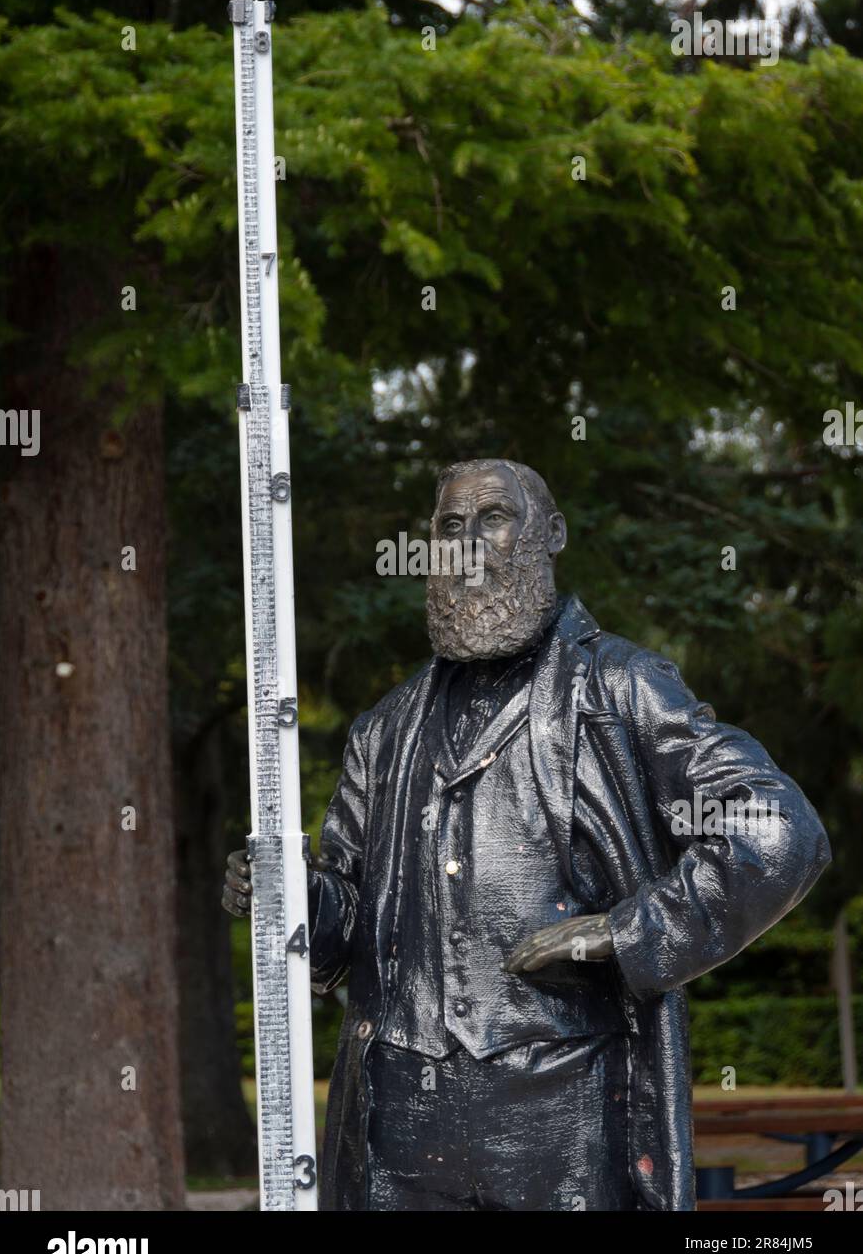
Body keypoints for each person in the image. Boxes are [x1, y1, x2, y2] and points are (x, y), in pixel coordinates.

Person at [223, 458, 831, 1211]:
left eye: (495, 518)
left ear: (552, 534)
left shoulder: (620, 689)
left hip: (565, 1127)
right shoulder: (383, 731)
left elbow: (778, 831)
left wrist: (627, 931)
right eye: (450, 526)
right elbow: (343, 931)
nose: (470, 541)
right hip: (397, 1131)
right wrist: (291, 894)